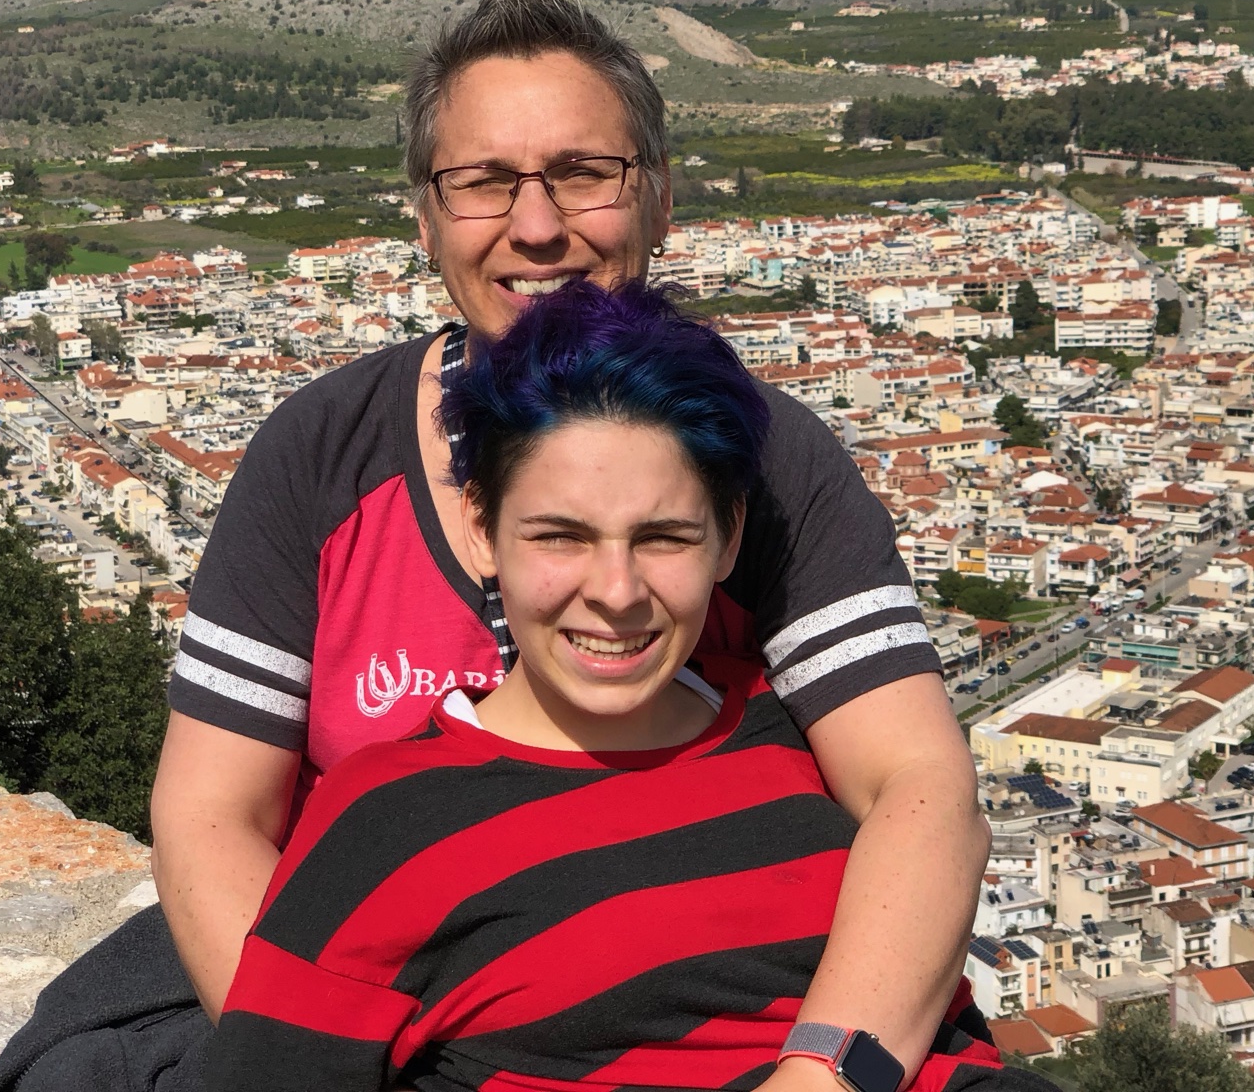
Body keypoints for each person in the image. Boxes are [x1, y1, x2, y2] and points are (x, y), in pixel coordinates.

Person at [0, 0, 984, 1091]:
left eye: (584, 175)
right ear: (425, 215)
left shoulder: (760, 456)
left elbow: (918, 789)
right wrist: (338, 1046)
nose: (536, 227)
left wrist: (823, 1072)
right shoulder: (323, 452)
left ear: (656, 199)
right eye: (484, 182)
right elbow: (211, 813)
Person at [209, 281, 1027, 1092]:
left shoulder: (796, 737)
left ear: (729, 536)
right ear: (482, 528)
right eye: (561, 536)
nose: (617, 590)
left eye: (664, 538)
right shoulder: (380, 827)